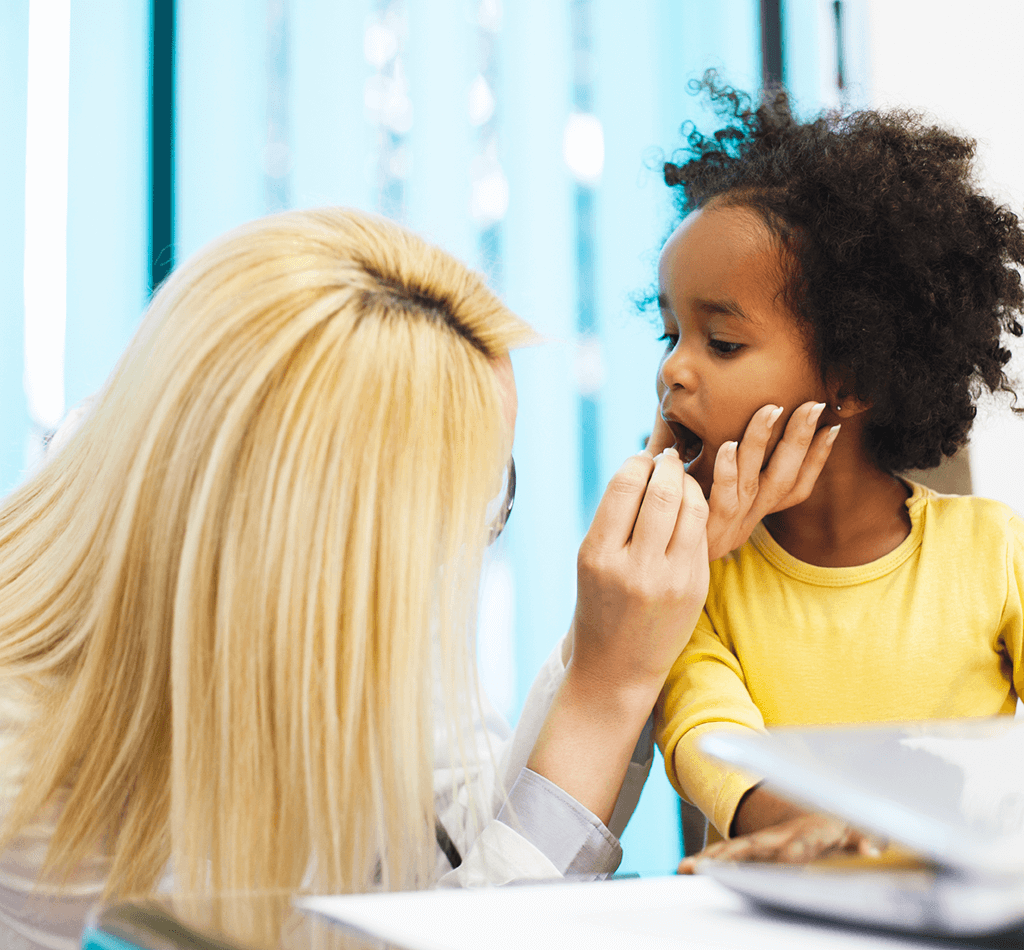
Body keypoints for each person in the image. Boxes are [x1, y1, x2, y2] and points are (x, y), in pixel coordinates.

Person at [0, 207, 831, 948]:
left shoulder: (333, 602)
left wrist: (619, 622)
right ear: (318, 543)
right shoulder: (26, 788)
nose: (470, 545)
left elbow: (453, 836)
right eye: (466, 507)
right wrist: (609, 688)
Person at [649, 77, 1024, 870]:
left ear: (850, 379)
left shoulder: (994, 551)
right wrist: (807, 827)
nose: (673, 372)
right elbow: (704, 735)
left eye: (720, 343)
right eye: (669, 334)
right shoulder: (698, 576)